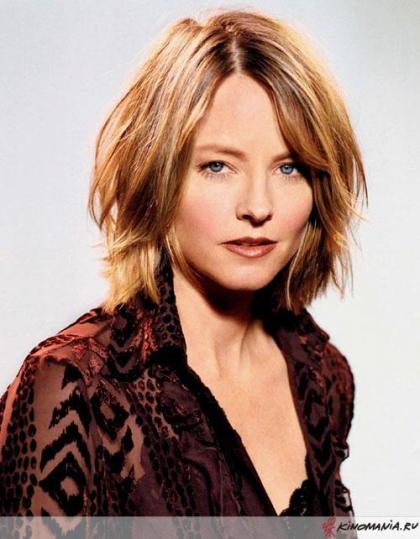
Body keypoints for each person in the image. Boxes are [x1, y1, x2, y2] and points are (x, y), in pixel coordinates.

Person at [0, 8, 367, 518]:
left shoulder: (322, 375)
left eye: (289, 168)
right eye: (218, 166)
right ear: (158, 176)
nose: (258, 206)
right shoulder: (71, 387)